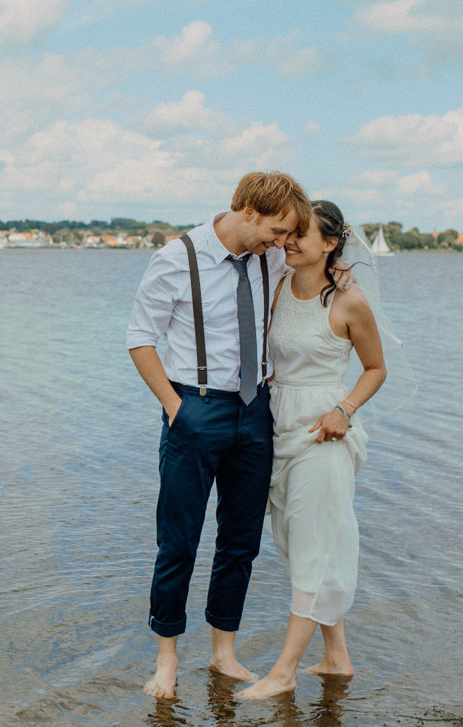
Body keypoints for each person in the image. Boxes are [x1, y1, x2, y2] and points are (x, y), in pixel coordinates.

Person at [127, 172, 312, 699]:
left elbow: (319, 260)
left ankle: (223, 653)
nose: (281, 243)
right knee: (178, 540)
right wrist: (173, 408)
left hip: (256, 413)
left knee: (240, 542)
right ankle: (166, 661)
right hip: (195, 409)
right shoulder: (175, 258)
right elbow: (141, 339)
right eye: (276, 230)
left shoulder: (271, 255)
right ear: (249, 210)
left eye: (286, 236)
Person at [237, 200, 389, 700]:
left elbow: (375, 369)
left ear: (330, 244)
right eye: (290, 233)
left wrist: (343, 411)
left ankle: (282, 672)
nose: (289, 240)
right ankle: (337, 657)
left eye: (303, 234)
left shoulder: (348, 303)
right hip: (281, 424)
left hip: (326, 430)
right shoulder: (277, 283)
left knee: (313, 548)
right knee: (297, 542)